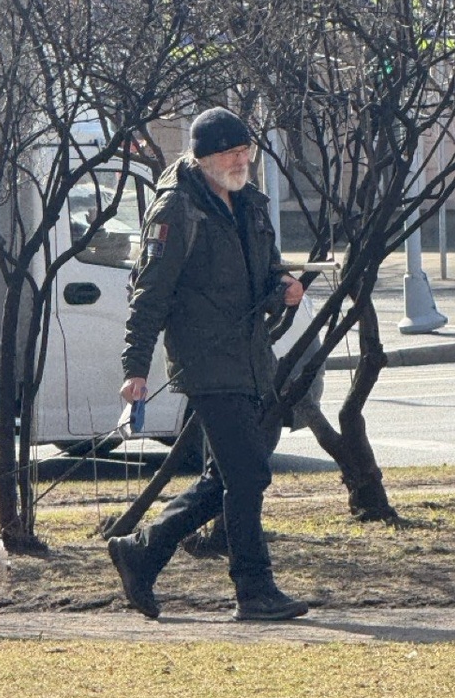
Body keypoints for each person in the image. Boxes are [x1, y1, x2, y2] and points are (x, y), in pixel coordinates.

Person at [107, 106, 310, 622]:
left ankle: (142, 550)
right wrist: (136, 369)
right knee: (248, 476)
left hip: (249, 360)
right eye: (232, 153)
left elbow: (263, 270)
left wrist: (282, 287)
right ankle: (254, 588)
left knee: (229, 477)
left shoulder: (250, 203)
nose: (243, 161)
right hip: (206, 363)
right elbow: (148, 295)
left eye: (246, 151)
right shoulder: (176, 210)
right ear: (203, 159)